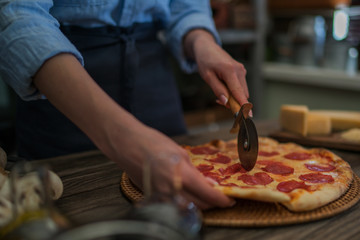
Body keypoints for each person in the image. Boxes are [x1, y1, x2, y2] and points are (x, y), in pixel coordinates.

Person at [0, 0, 249, 209]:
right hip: (63, 88)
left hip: (154, 79)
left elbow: (186, 7)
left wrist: (202, 42)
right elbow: (15, 14)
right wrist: (122, 137)